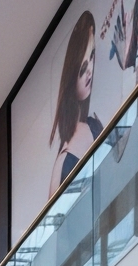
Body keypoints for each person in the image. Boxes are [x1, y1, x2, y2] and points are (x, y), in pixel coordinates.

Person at [49, 11, 102, 196]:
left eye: (92, 56)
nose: (90, 72)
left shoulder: (93, 124)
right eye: (83, 68)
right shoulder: (64, 161)